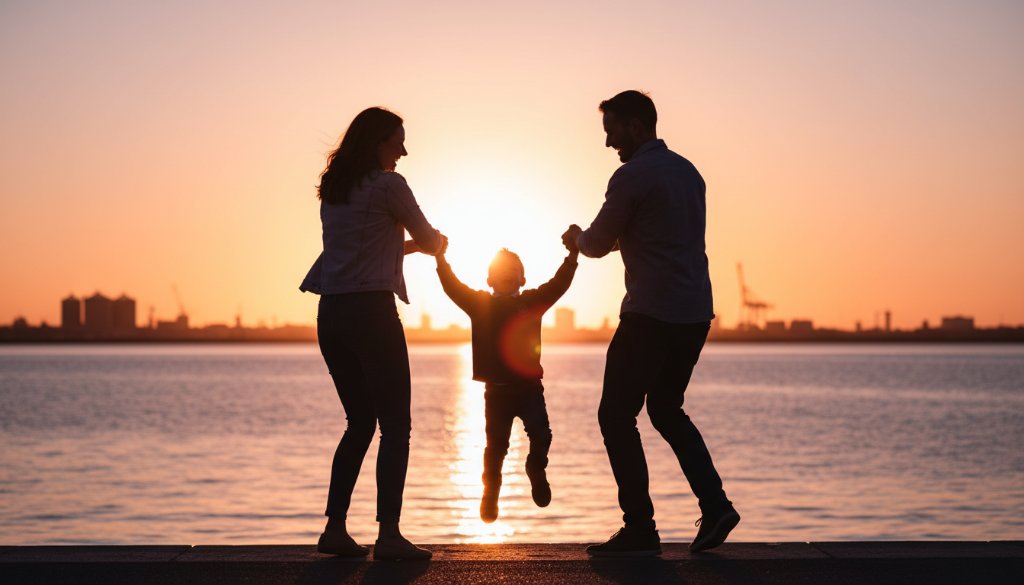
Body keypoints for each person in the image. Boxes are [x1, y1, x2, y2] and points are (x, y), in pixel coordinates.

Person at [562, 90, 739, 556]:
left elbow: (598, 243)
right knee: (664, 409)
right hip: (694, 312)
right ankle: (716, 503)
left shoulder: (631, 175)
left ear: (636, 127)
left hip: (650, 314)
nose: (608, 143)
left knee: (616, 415)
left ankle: (640, 528)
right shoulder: (689, 173)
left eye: (612, 131)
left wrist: (576, 237)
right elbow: (658, 233)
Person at [300, 106, 444, 561]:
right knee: (395, 427)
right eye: (398, 140)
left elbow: (363, 247)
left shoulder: (336, 191)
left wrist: (408, 246)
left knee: (359, 422)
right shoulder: (389, 185)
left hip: (332, 314)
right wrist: (437, 243)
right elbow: (425, 236)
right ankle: (389, 536)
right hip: (372, 316)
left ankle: (335, 528)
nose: (404, 150)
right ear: (379, 141)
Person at [434, 241, 578, 522]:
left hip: (529, 389)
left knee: (542, 434)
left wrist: (572, 256)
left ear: (522, 278)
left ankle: (536, 468)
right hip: (497, 393)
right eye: (500, 270)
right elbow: (453, 287)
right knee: (496, 447)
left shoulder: (532, 302)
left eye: (513, 270)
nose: (507, 274)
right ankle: (491, 491)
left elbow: (558, 284)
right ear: (489, 279)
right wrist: (441, 258)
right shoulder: (479, 304)